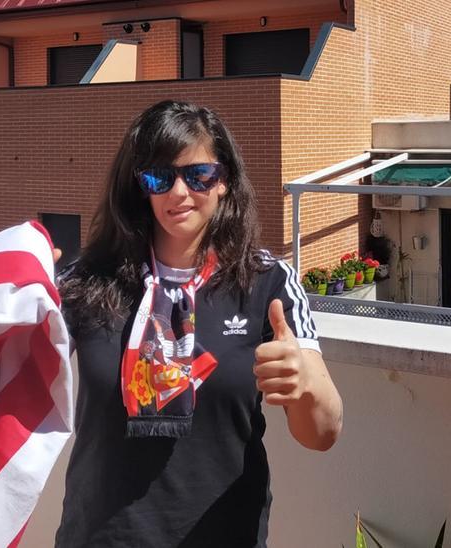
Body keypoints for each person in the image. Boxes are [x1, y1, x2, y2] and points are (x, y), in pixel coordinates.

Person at [54, 100, 343, 547]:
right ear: (139, 187)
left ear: (224, 180)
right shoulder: (90, 279)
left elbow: (322, 433)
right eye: (159, 177)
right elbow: (12, 361)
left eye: (199, 175)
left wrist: (303, 382)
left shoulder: (267, 282)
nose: (179, 193)